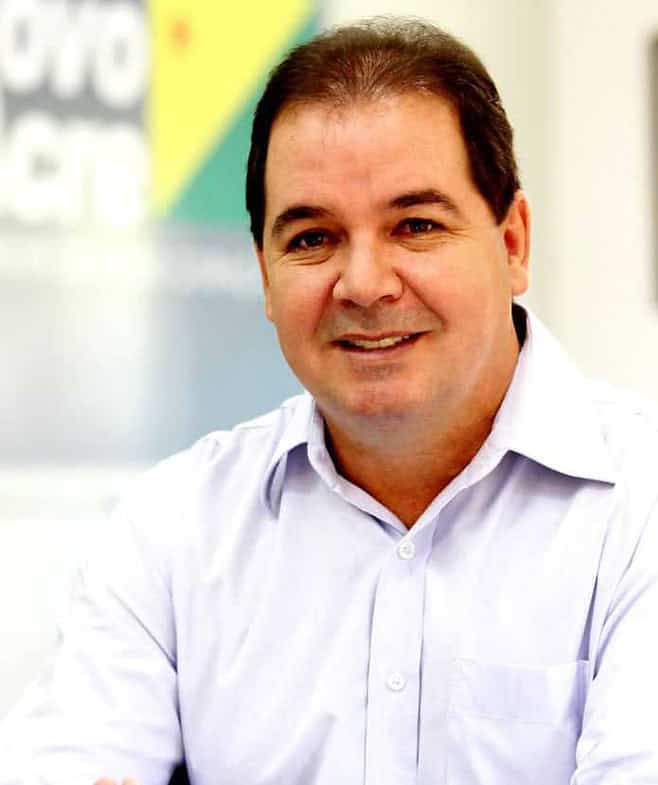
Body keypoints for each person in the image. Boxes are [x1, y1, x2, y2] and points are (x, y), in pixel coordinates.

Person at [1, 16, 657, 785]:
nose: (364, 284)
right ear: (265, 273)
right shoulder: (172, 531)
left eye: (416, 225)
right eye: (312, 238)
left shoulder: (639, 506)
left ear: (512, 243)